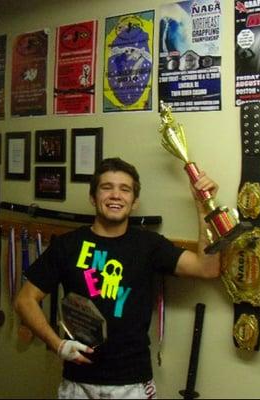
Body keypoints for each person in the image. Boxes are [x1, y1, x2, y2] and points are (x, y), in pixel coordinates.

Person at [14, 157, 221, 399]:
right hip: (77, 383)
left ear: (134, 202)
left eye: (125, 189)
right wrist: (58, 345)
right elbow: (24, 300)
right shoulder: (68, 245)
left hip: (132, 384)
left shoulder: (149, 245)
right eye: (106, 187)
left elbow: (207, 268)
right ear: (93, 197)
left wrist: (204, 205)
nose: (116, 195)